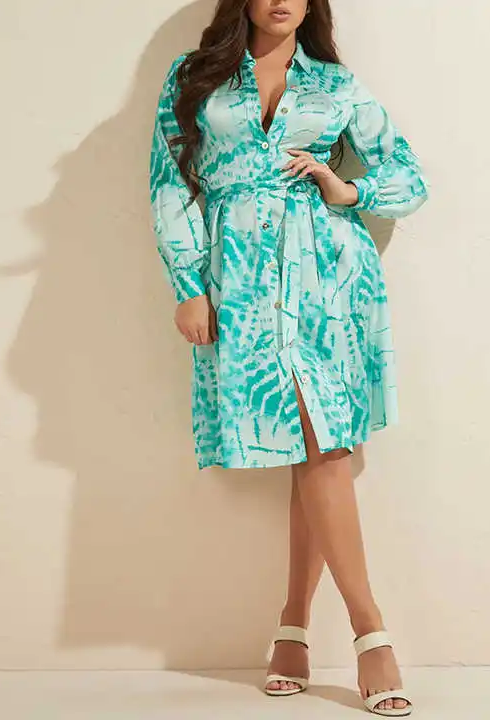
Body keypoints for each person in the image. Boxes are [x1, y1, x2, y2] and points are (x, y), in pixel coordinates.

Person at [149, 0, 428, 715]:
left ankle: (366, 632)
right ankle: (295, 627)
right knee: (311, 447)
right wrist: (189, 286)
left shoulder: (335, 85)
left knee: (321, 446)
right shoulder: (194, 76)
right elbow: (170, 185)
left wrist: (348, 188)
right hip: (238, 280)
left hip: (328, 277)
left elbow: (409, 178)